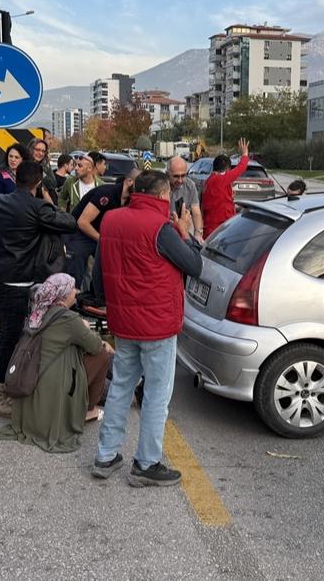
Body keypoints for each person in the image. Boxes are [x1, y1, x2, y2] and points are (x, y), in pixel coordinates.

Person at [92, 170, 202, 487]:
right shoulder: (162, 228)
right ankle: (147, 463)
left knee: (122, 387)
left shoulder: (111, 219)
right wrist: (185, 234)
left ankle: (106, 455)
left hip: (123, 322)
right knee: (156, 394)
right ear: (162, 195)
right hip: (156, 325)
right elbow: (194, 266)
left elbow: (100, 272)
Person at [0, 161, 78, 418]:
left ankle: (11, 384)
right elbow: (69, 223)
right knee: (9, 335)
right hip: (18, 280)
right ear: (38, 183)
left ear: (15, 177)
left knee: (13, 334)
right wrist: (48, 201)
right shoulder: (37, 208)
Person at [0, 274, 115, 452]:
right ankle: (88, 409)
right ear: (63, 295)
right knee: (102, 354)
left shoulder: (37, 311)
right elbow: (94, 346)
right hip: (50, 389)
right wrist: (86, 329)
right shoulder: (68, 319)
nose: (76, 292)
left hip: (28, 383)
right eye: (72, 289)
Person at [67, 168, 139, 302]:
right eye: (139, 185)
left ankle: (98, 297)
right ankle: (71, 302)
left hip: (100, 235)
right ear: (129, 182)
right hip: (79, 233)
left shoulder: (129, 200)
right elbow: (83, 222)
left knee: (111, 263)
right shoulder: (106, 194)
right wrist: (104, 240)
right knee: (76, 268)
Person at [200, 138, 250, 238]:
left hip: (210, 229)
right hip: (219, 230)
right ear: (227, 169)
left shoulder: (210, 181)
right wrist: (244, 154)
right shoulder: (220, 179)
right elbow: (241, 168)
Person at [168, 156, 204, 238]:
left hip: (183, 230)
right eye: (176, 176)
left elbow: (196, 212)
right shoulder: (160, 185)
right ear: (167, 174)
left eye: (183, 175)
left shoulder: (190, 185)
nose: (180, 180)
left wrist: (198, 233)